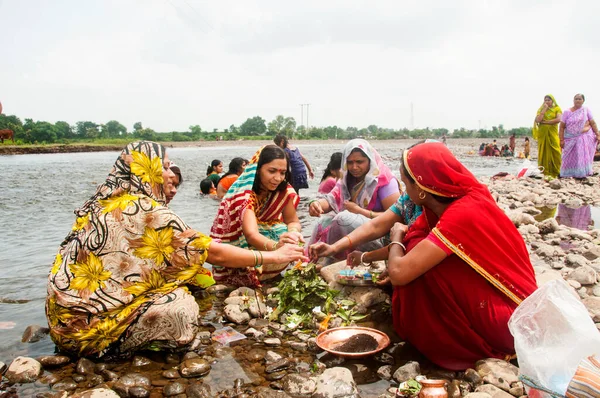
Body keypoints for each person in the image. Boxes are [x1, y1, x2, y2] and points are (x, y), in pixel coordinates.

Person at [46, 141, 306, 357]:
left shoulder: (104, 204)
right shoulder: (144, 210)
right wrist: (274, 255)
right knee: (183, 308)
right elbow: (211, 252)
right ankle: (114, 350)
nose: (172, 174)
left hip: (62, 322)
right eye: (166, 166)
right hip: (85, 333)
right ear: (143, 170)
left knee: (187, 282)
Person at [312, 142, 537, 370]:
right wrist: (334, 248)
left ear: (420, 186)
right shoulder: (441, 206)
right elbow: (377, 225)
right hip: (511, 310)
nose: (403, 189)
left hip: (512, 325)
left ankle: (454, 343)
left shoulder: (461, 214)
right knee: (417, 250)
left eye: (405, 182)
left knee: (416, 257)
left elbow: (399, 272)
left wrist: (398, 236)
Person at [210, 145, 304, 286]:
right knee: (278, 234)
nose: (278, 178)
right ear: (258, 169)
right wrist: (278, 248)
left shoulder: (283, 190)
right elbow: (251, 235)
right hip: (239, 248)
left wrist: (293, 234)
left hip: (266, 247)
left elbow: (292, 221)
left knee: (284, 232)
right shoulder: (245, 196)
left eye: (283, 173)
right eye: (272, 171)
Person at [307, 139, 400, 260]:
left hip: (381, 237)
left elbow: (397, 218)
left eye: (359, 162)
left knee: (343, 218)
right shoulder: (347, 180)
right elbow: (331, 200)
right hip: (356, 235)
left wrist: (360, 211)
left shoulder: (384, 181)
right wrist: (316, 204)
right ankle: (314, 259)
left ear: (370, 160)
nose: (354, 167)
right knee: (323, 222)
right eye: (350, 162)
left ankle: (333, 260)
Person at [559, 93, 600, 178]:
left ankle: (582, 173)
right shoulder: (567, 112)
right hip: (570, 137)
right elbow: (562, 126)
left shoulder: (586, 110)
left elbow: (592, 123)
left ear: (583, 101)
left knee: (581, 154)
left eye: (580, 99)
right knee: (568, 155)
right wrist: (561, 139)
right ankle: (567, 172)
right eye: (576, 99)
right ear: (573, 100)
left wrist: (597, 134)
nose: (577, 100)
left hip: (583, 136)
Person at [533, 94, 562, 179]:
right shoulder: (541, 109)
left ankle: (557, 170)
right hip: (543, 134)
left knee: (556, 150)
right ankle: (544, 171)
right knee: (543, 151)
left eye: (549, 100)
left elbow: (558, 119)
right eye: (545, 100)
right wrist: (544, 110)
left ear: (553, 101)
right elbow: (538, 120)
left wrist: (545, 122)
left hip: (553, 134)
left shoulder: (557, 108)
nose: (547, 101)